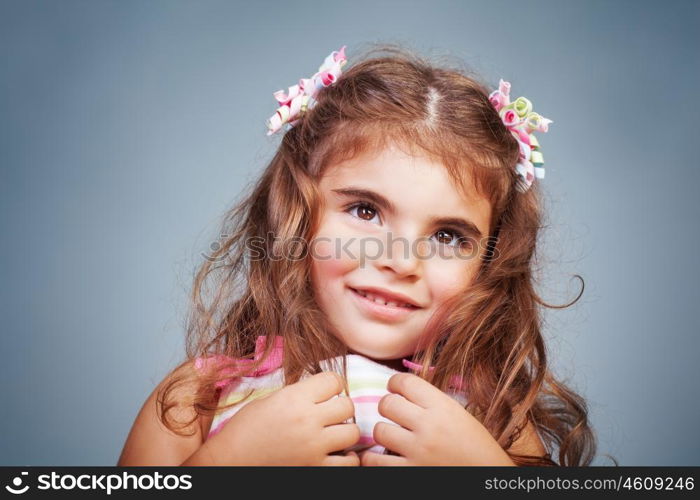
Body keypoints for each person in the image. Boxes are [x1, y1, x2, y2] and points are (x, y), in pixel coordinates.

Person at [118, 43, 596, 466]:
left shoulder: (492, 415)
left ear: (489, 264)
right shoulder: (197, 399)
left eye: (448, 236)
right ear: (297, 217)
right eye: (365, 210)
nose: (400, 262)